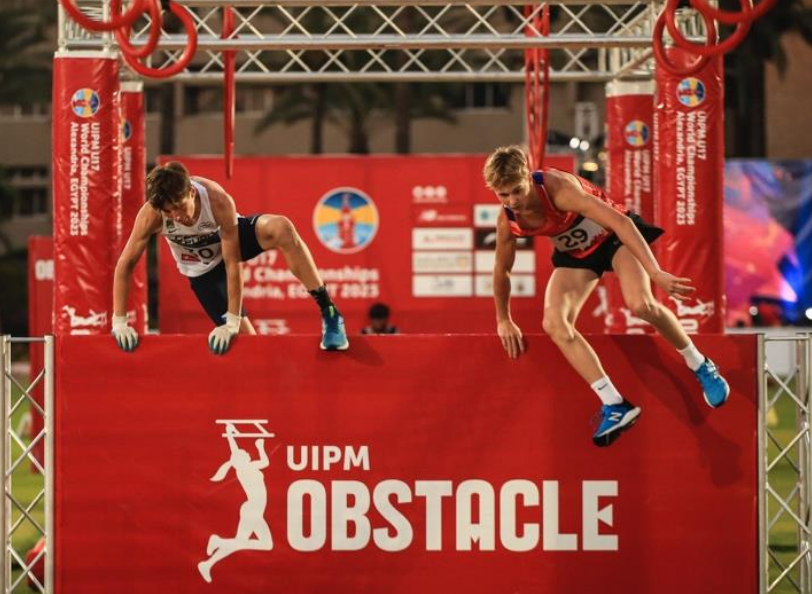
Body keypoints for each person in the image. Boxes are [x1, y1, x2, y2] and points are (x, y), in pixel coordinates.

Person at [483, 145, 729, 447]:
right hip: (576, 254)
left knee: (641, 305)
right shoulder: (509, 220)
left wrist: (654, 272)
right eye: (503, 195)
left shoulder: (558, 190)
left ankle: (699, 363)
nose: (512, 201)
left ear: (527, 178)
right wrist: (503, 319)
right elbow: (502, 270)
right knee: (554, 323)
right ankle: (615, 404)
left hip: (614, 240)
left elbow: (620, 223)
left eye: (517, 191)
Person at [112, 161, 348, 354]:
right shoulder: (152, 215)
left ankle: (329, 312)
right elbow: (125, 264)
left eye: (179, 207)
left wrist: (232, 320)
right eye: (168, 211)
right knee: (249, 346)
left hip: (228, 244)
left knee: (281, 228)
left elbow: (232, 264)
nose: (176, 216)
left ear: (191, 192)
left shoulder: (216, 200)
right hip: (202, 271)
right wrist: (120, 321)